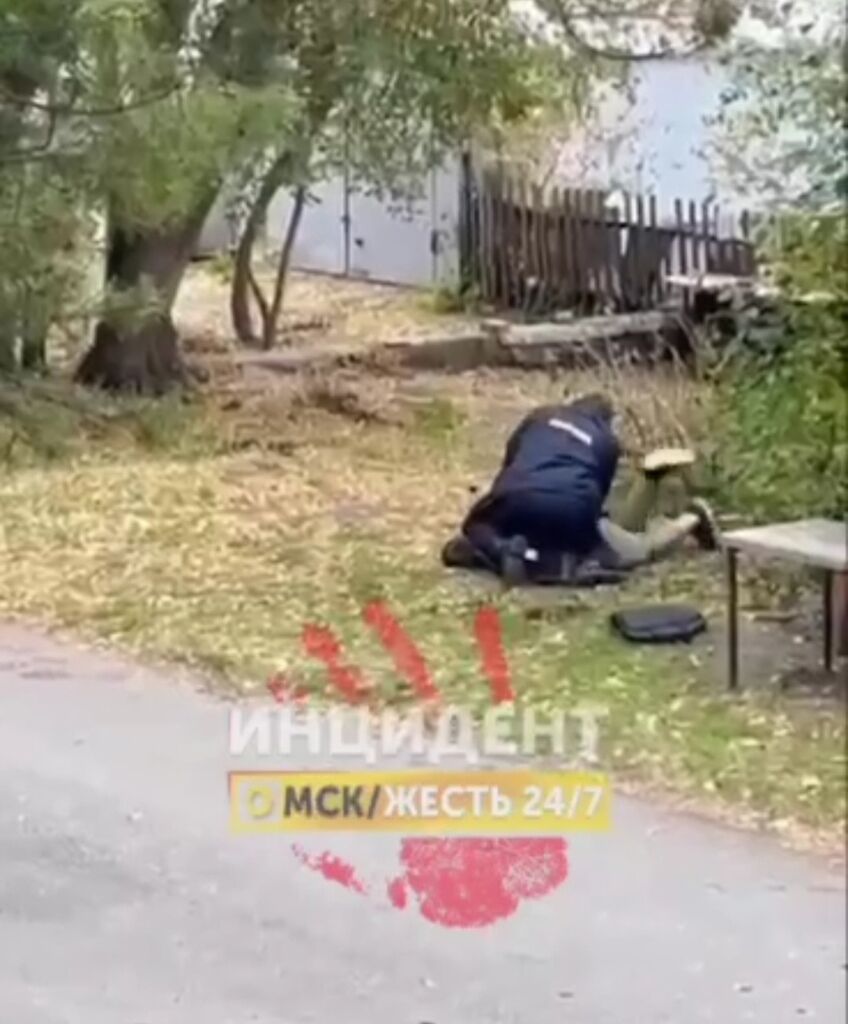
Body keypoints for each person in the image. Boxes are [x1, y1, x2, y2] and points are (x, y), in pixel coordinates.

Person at [442, 391, 719, 586]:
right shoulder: (606, 441)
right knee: (636, 549)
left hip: (516, 498)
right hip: (573, 510)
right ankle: (690, 517)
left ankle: (504, 549)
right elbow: (595, 499)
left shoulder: (540, 416)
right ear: (606, 420)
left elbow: (511, 464)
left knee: (477, 525)